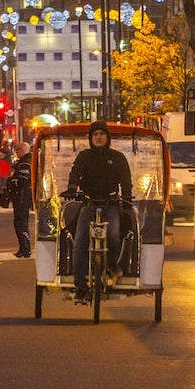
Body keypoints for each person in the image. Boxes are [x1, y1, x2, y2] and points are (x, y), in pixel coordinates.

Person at [66, 121, 133, 300]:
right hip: (88, 203)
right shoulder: (84, 156)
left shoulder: (117, 157)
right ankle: (80, 286)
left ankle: (111, 265)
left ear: (107, 137)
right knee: (80, 242)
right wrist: (72, 188)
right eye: (95, 134)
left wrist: (127, 200)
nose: (98, 137)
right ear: (90, 138)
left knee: (113, 235)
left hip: (111, 203)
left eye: (102, 134)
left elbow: (126, 180)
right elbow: (75, 172)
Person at [7, 140, 33, 258]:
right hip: (22, 197)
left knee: (21, 223)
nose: (16, 152)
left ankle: (25, 249)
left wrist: (12, 181)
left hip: (22, 197)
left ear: (23, 150)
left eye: (18, 150)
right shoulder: (26, 161)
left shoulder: (24, 163)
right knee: (19, 222)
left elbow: (23, 181)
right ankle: (23, 248)